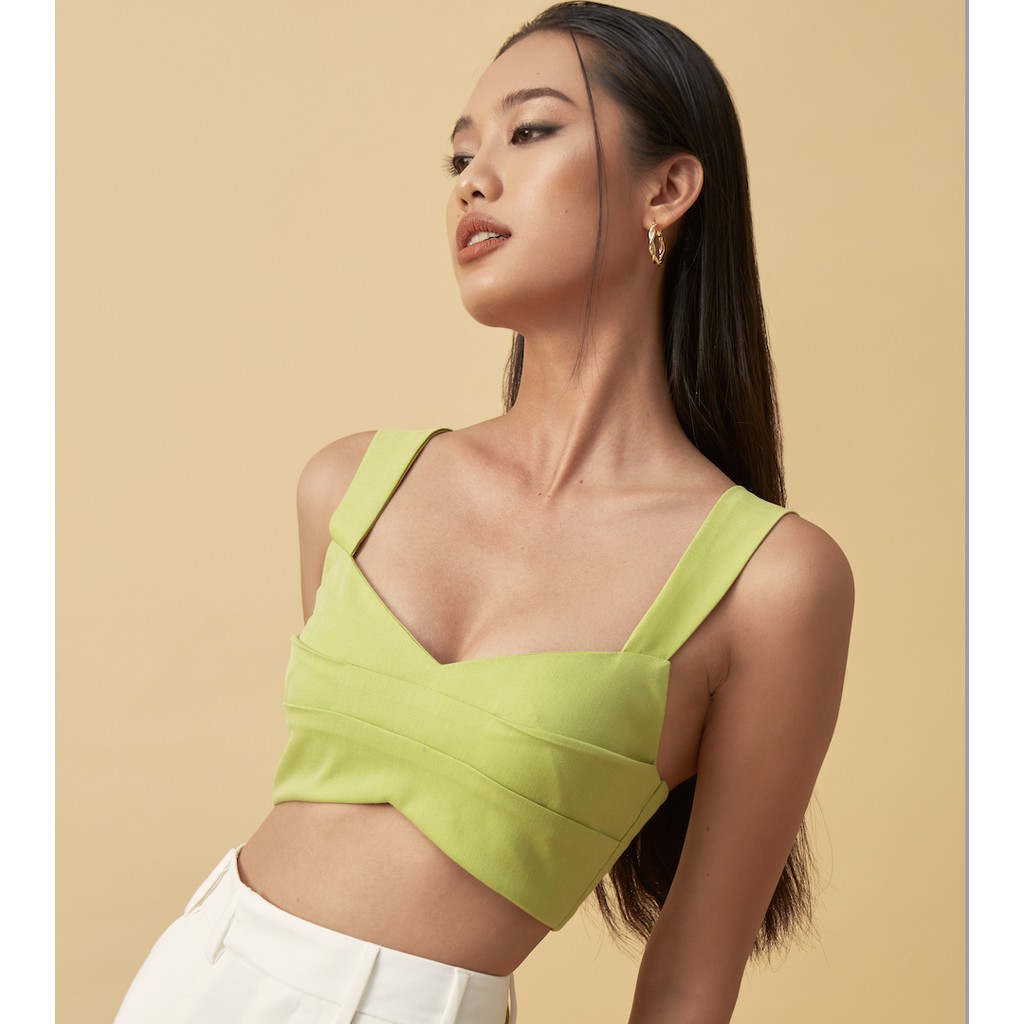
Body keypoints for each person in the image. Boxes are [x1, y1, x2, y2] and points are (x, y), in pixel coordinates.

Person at [114, 3, 854, 1022]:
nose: (473, 178)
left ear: (667, 188)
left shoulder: (772, 582)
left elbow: (690, 978)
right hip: (197, 974)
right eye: (460, 155)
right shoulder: (350, 488)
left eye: (531, 130)